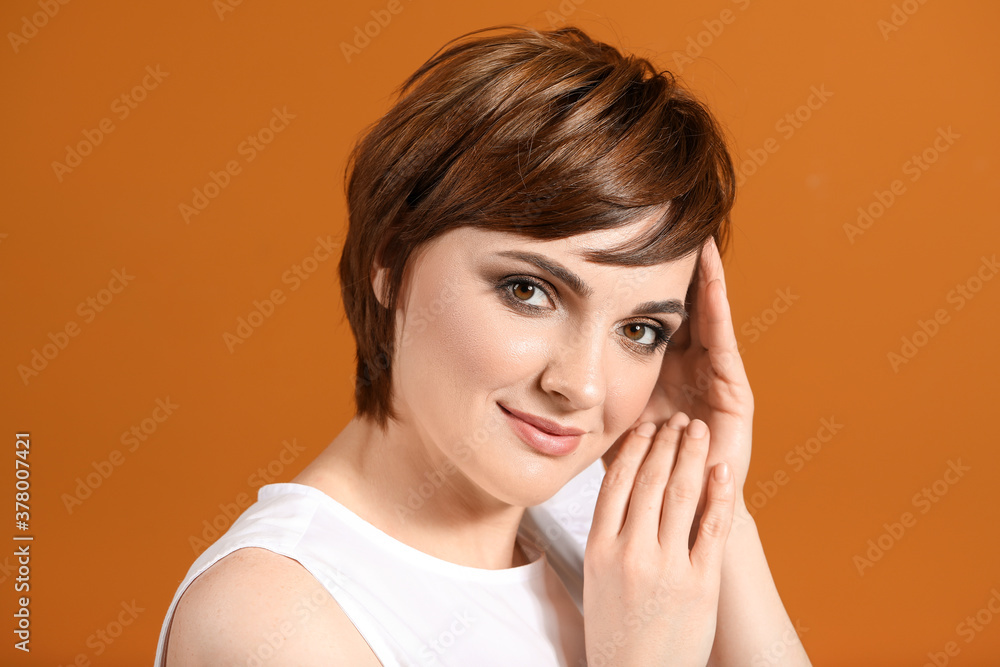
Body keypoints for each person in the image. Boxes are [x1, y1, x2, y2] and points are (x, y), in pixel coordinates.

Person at [155, 24, 812, 666]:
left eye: (639, 330)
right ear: (392, 259)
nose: (581, 385)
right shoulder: (269, 618)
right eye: (528, 290)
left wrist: (713, 502)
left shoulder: (607, 522)